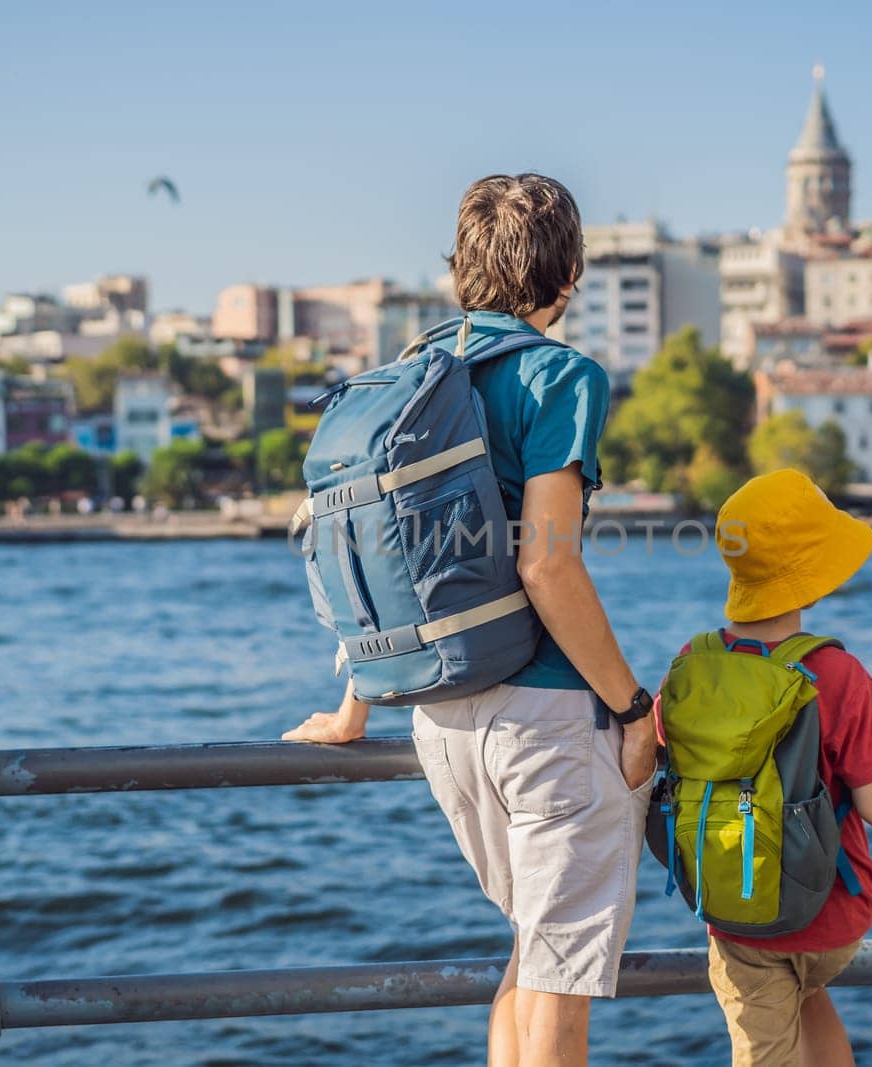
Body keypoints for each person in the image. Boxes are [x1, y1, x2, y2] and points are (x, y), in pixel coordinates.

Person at [283, 173, 658, 1066]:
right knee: (560, 991)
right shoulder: (560, 374)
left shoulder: (409, 375)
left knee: (530, 958)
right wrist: (634, 706)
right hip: (546, 726)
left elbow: (374, 555)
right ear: (567, 277)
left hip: (439, 722)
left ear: (461, 269)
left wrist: (351, 713)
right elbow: (547, 562)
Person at [669, 470, 872, 1067]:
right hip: (834, 910)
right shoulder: (841, 675)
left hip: (737, 908)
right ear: (815, 581)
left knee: (764, 1052)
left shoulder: (692, 663)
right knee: (809, 993)